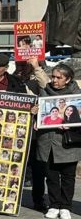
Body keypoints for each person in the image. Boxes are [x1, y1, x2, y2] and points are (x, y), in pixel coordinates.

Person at [35, 64, 81, 219]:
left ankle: (66, 206)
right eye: (53, 76)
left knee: (68, 177)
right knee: (51, 176)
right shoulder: (44, 91)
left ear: (67, 80)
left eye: (58, 77)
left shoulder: (77, 95)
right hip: (48, 142)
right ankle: (54, 205)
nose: (54, 80)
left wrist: (73, 122)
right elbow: (39, 112)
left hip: (68, 143)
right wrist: (35, 113)